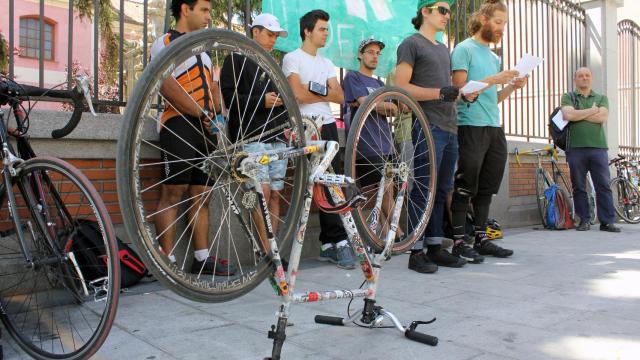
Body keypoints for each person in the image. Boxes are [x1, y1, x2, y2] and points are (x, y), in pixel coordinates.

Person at [151, 0, 235, 276]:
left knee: (202, 193)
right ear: (185, 9)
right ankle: (167, 261)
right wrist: (201, 112)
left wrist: (219, 114)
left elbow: (212, 85)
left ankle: (202, 258)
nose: (209, 16)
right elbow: (166, 85)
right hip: (178, 123)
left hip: (206, 126)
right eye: (205, 10)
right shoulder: (164, 42)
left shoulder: (205, 51)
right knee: (173, 192)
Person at [396, 0, 470, 274]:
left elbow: (447, 90)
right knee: (424, 187)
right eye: (442, 10)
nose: (447, 15)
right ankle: (416, 252)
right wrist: (440, 92)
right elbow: (401, 87)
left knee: (441, 189)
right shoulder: (411, 44)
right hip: (426, 125)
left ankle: (436, 246)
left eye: (449, 11)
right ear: (425, 11)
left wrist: (461, 93)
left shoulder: (443, 49)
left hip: (450, 127)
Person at [450, 0, 524, 259]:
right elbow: (460, 89)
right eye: (498, 22)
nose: (502, 28)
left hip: (494, 127)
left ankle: (481, 238)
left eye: (504, 23)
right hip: (470, 125)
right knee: (465, 183)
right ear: (483, 19)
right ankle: (459, 242)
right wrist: (493, 79)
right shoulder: (463, 49)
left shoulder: (494, 57)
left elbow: (492, 97)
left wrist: (511, 87)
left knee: (487, 186)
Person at [282, 9, 355, 269]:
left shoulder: (325, 63)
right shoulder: (292, 58)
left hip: (328, 126)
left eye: (327, 29)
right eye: (322, 29)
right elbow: (297, 95)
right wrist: (323, 92)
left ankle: (334, 242)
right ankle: (330, 243)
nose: (327, 33)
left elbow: (340, 97)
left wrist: (315, 90)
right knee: (313, 186)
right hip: (305, 128)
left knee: (331, 182)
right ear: (307, 31)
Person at [220, 13, 290, 254]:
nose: (273, 40)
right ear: (255, 32)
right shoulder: (235, 59)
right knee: (262, 192)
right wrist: (262, 100)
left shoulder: (273, 63)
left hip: (277, 136)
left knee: (275, 195)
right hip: (249, 137)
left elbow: (284, 100)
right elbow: (229, 98)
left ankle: (273, 248)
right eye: (270, 34)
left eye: (276, 36)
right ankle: (266, 251)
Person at [342, 38, 405, 242]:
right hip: (366, 144)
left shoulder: (379, 83)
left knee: (388, 188)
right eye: (370, 52)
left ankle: (388, 233)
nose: (374, 56)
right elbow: (365, 104)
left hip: (385, 142)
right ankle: (397, 232)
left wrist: (380, 105)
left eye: (378, 53)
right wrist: (382, 104)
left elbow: (394, 108)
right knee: (378, 188)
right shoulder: (353, 78)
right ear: (360, 54)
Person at [561, 67, 621, 233]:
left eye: (587, 75)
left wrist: (579, 114)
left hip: (598, 148)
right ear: (575, 80)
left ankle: (607, 222)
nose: (584, 78)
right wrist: (592, 111)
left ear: (591, 78)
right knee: (579, 186)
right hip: (575, 148)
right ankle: (584, 220)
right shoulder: (568, 97)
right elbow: (568, 116)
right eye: (580, 76)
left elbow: (602, 117)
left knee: (603, 185)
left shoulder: (601, 98)